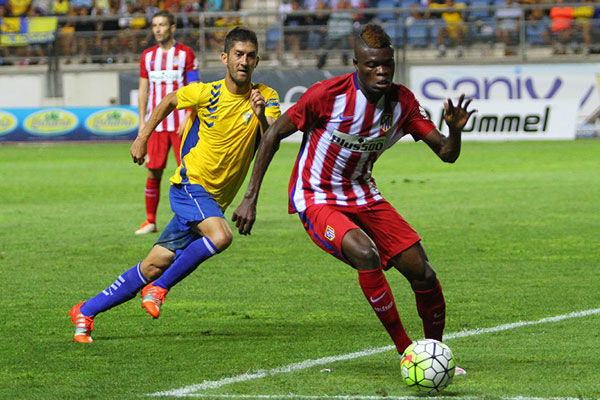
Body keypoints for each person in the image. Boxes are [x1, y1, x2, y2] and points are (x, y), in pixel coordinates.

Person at [232, 23, 475, 371]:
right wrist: (250, 198)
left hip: (363, 194)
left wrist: (453, 130)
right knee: (366, 253)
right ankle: (408, 353)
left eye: (387, 64)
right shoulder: (325, 95)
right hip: (316, 196)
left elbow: (447, 154)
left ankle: (433, 357)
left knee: (423, 274)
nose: (382, 71)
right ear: (356, 63)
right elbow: (272, 136)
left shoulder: (403, 102)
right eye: (373, 65)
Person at [69, 26, 281, 343]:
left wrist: (261, 116)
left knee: (154, 264)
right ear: (225, 57)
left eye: (250, 56)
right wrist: (142, 137)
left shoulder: (265, 97)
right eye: (238, 54)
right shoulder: (205, 93)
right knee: (221, 236)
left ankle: (85, 311)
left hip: (211, 202)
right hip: (190, 187)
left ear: (257, 61)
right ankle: (161, 288)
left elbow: (271, 140)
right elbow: (169, 100)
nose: (244, 61)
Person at [135, 10, 199, 235]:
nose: (158, 29)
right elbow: (144, 89)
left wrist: (189, 115)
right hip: (157, 126)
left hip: (181, 124)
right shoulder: (147, 56)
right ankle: (150, 221)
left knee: (189, 172)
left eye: (162, 25)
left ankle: (194, 218)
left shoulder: (186, 54)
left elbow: (194, 88)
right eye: (154, 25)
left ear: (172, 28)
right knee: (153, 172)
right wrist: (142, 122)